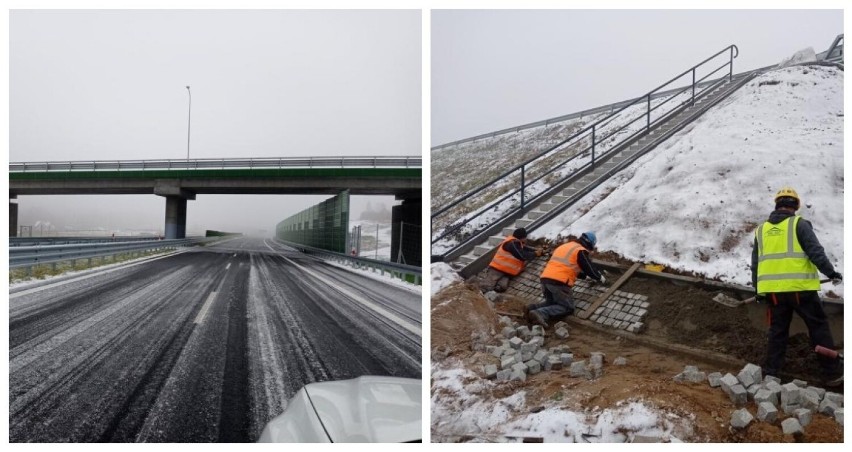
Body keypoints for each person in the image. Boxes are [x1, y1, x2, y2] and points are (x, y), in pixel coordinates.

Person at [752, 186, 843, 386]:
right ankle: (831, 373)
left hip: (775, 294)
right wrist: (832, 273)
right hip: (801, 290)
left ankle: (771, 373)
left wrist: (758, 290)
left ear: (777, 205)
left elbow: (756, 264)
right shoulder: (799, 225)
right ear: (796, 206)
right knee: (818, 327)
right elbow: (815, 251)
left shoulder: (761, 230)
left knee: (778, 332)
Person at [526, 231, 605, 326]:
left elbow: (566, 266)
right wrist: (598, 277)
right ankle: (541, 313)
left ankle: (532, 308)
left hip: (545, 279)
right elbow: (588, 266)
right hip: (559, 282)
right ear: (589, 244)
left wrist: (585, 276)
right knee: (567, 307)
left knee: (551, 302)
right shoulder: (580, 250)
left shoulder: (565, 246)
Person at [479, 227, 542, 293]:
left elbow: (524, 249)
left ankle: (490, 297)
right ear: (522, 237)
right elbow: (522, 255)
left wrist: (535, 250)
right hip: (497, 269)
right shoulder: (511, 244)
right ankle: (479, 297)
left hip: (506, 272)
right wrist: (535, 253)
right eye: (525, 237)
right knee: (486, 286)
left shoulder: (516, 243)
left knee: (501, 287)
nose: (526, 239)